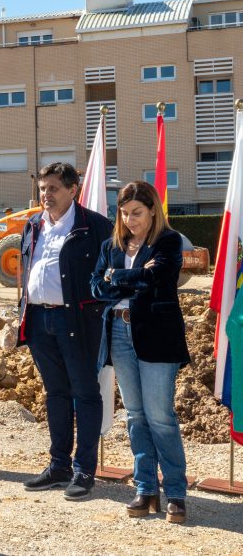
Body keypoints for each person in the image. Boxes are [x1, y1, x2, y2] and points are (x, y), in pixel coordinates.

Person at [90, 181, 191, 523]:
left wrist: (116, 276)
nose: (130, 219)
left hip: (157, 334)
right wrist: (131, 275)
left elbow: (158, 279)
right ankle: (146, 488)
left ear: (152, 211)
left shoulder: (168, 241)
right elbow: (95, 287)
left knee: (160, 415)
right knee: (135, 415)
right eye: (124, 212)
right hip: (118, 331)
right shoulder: (111, 244)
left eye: (137, 212)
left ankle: (175, 492)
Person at [19, 162, 112, 499]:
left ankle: (84, 470)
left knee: (85, 393)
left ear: (73, 190)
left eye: (54, 188)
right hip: (40, 322)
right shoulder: (32, 225)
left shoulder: (95, 226)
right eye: (43, 188)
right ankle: (58, 465)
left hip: (78, 323)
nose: (46, 195)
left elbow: (111, 274)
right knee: (55, 392)